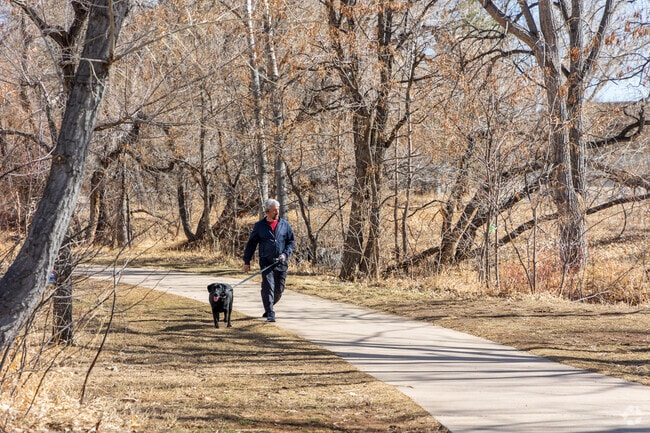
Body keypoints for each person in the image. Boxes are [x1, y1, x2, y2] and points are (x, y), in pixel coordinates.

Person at [243, 199, 295, 322]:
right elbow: (251, 244)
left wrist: (285, 254)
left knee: (279, 289)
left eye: (278, 209)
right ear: (267, 211)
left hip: (281, 262)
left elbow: (291, 242)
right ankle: (270, 312)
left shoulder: (285, 225)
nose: (277, 212)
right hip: (266, 262)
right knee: (268, 287)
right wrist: (247, 261)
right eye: (274, 210)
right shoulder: (259, 226)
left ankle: (268, 306)